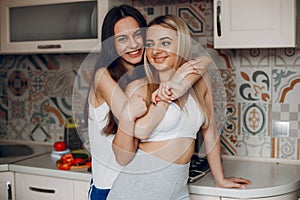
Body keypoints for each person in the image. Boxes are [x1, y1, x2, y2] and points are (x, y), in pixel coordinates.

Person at [107, 15, 251, 200]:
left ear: (182, 45)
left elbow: (211, 133)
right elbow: (132, 143)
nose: (156, 51)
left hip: (177, 191)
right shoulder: (138, 88)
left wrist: (220, 179)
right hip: (137, 191)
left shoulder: (199, 82)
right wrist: (165, 95)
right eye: (150, 44)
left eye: (165, 42)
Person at [87, 5, 207, 200]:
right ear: (111, 44)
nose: (133, 45)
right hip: (108, 186)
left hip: (145, 182)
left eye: (137, 35)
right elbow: (139, 128)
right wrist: (173, 87)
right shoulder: (104, 76)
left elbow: (202, 61)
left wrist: (182, 80)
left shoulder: (149, 75)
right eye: (122, 39)